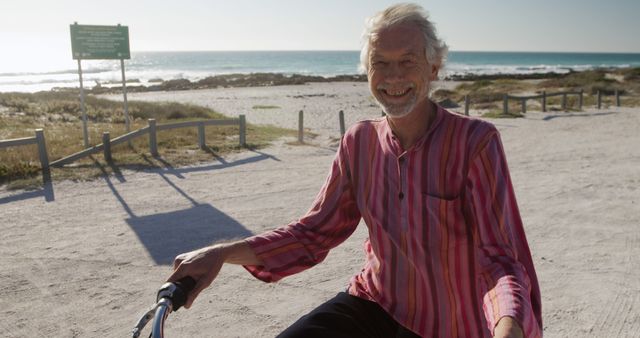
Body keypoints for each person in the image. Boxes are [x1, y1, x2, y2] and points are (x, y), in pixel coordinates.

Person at [168, 3, 542, 337]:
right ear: (367, 70)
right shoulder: (358, 142)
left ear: (434, 66)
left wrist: (507, 328)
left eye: (407, 61)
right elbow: (314, 232)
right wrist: (220, 254)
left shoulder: (475, 142)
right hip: (376, 304)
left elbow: (500, 261)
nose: (393, 76)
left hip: (452, 324)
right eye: (380, 62)